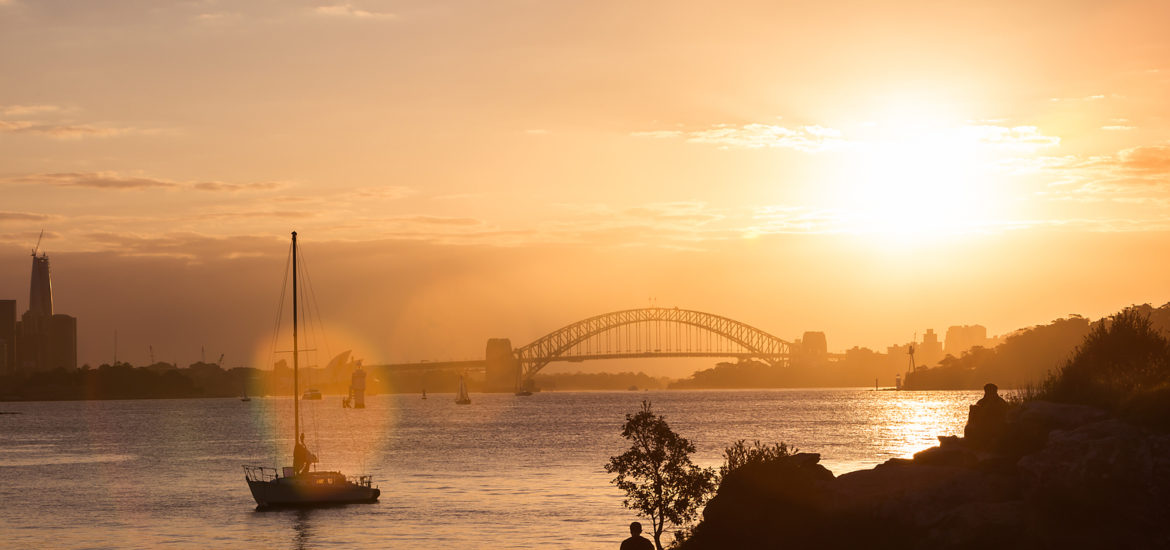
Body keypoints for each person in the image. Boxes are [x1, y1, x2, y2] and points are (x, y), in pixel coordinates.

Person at [964, 383, 1008, 449]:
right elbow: (972, 419)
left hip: (996, 429)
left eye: (991, 391)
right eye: (988, 391)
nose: (989, 393)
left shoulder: (1001, 403)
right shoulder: (981, 403)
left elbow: (1005, 417)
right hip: (982, 428)